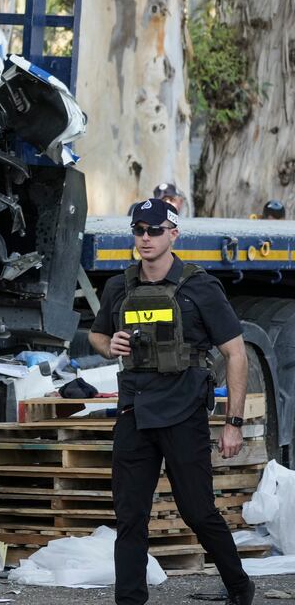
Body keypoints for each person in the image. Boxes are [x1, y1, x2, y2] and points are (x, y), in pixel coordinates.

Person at [88, 199, 254, 605]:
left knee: (198, 512)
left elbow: (236, 353)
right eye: (139, 230)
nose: (145, 238)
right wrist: (109, 345)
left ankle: (239, 586)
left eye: (155, 230)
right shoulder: (119, 285)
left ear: (173, 234)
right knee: (130, 517)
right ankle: (129, 599)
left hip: (184, 412)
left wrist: (234, 422)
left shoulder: (200, 286)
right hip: (134, 411)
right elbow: (96, 335)